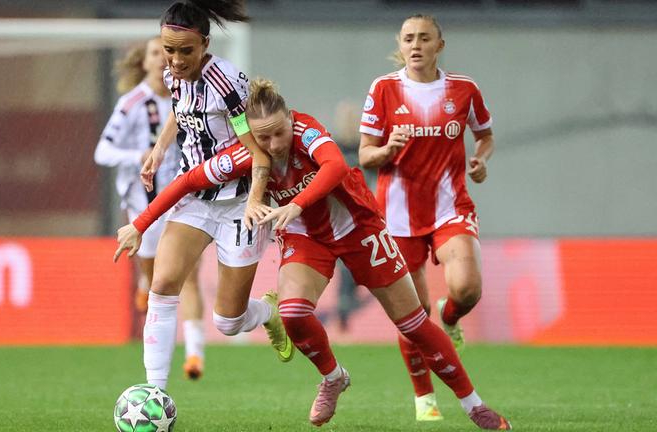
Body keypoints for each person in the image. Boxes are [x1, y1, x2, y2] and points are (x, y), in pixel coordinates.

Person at [117, 78, 511, 430]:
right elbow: (188, 180)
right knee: (292, 314)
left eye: (279, 133)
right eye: (263, 138)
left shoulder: (307, 130)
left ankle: (474, 406)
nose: (273, 144)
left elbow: (336, 166)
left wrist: (296, 204)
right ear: (251, 136)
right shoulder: (246, 156)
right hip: (308, 238)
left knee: (413, 323)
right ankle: (333, 377)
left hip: (358, 227)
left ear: (291, 117)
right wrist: (140, 224)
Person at [113, 0, 293, 391]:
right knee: (162, 286)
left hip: (238, 201)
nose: (175, 61)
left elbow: (258, 153)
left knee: (228, 321)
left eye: (185, 51)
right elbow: (181, 111)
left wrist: (254, 202)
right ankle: (154, 391)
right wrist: (161, 148)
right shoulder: (174, 75)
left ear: (205, 44)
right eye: (168, 50)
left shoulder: (228, 85)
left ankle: (267, 313)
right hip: (195, 199)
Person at [358, 14, 496, 422]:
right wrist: (386, 150)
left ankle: (451, 317)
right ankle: (425, 398)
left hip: (450, 207)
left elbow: (485, 135)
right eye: (408, 39)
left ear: (440, 44)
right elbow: (365, 153)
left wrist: (480, 161)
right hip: (398, 215)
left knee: (467, 288)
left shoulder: (464, 89)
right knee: (414, 315)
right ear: (399, 46)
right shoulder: (383, 89)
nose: (415, 45)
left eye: (424, 38)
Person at [94, 38, 207, 380]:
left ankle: (195, 354)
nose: (163, 59)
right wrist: (138, 155)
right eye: (156, 53)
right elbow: (102, 152)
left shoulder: (188, 97)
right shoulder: (131, 104)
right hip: (143, 202)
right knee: (154, 272)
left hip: (183, 198)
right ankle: (144, 281)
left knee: (188, 276)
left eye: (168, 53)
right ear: (144, 63)